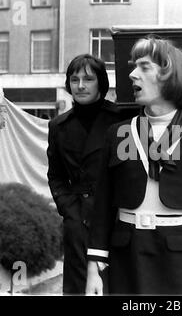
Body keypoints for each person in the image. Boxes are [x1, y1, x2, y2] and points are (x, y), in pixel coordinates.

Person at [85, 36, 182, 295]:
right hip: (126, 255)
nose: (132, 74)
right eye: (134, 66)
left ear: (169, 75)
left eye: (144, 67)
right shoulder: (117, 133)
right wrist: (94, 269)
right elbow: (102, 207)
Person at [47, 54, 121, 294]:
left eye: (88, 79)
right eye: (74, 79)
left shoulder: (121, 119)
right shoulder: (58, 125)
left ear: (101, 82)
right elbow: (55, 175)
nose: (80, 85)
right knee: (79, 288)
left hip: (115, 217)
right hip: (78, 219)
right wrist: (69, 209)